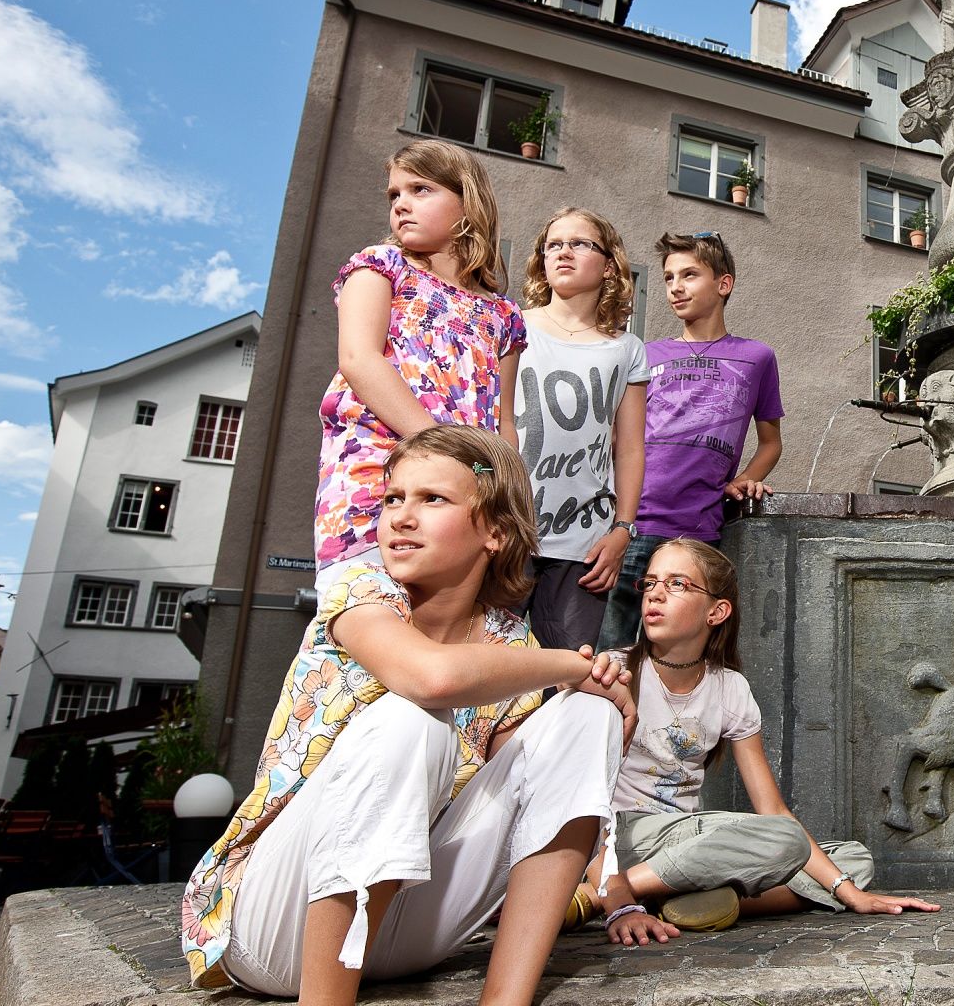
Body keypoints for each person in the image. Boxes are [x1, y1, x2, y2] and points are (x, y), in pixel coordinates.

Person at [181, 425, 637, 1006]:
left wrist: (600, 725)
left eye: (432, 499)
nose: (400, 516)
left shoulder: (508, 642)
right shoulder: (361, 591)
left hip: (404, 930)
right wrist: (574, 663)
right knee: (416, 720)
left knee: (588, 714)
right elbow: (433, 678)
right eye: (394, 498)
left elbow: (528, 797)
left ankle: (506, 1000)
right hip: (277, 926)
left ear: (495, 531)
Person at [584, 539, 938, 942]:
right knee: (789, 843)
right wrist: (610, 881)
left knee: (853, 862)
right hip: (621, 838)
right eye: (649, 583)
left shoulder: (730, 687)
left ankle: (681, 894)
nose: (656, 594)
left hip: (690, 844)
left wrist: (852, 894)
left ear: (716, 612)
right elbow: (585, 801)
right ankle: (622, 890)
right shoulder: (614, 673)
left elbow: (771, 808)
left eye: (677, 583)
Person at [316, 138, 525, 589]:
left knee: (450, 630)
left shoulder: (504, 315)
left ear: (468, 203)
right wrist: (441, 451)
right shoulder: (380, 266)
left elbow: (502, 421)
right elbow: (359, 359)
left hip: (462, 496)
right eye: (394, 195)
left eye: (420, 190)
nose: (401, 205)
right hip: (378, 477)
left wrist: (504, 493)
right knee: (365, 618)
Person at [596, 232, 783, 654]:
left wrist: (747, 479)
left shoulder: (757, 358)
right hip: (631, 525)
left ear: (723, 284)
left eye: (689, 275)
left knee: (677, 658)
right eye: (667, 278)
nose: (675, 287)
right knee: (609, 653)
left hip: (698, 534)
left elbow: (771, 442)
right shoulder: (646, 354)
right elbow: (617, 437)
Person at [514, 207, 648, 652]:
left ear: (608, 264)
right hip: (508, 530)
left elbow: (629, 449)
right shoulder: (511, 325)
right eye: (554, 244)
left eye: (579, 243)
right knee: (487, 681)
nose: (563, 252)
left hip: (584, 545)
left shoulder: (627, 348)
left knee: (566, 682)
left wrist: (622, 531)